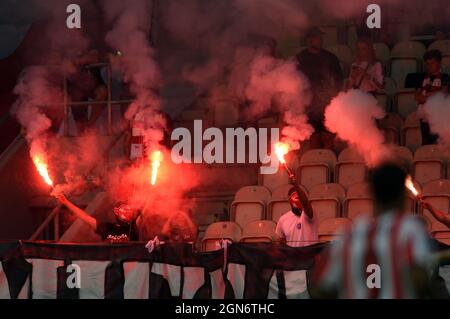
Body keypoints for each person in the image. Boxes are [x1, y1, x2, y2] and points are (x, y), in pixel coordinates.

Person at [312, 164, 441, 299]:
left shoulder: (347, 235)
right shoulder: (410, 231)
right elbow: (419, 279)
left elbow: (322, 287)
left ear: (371, 193)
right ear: (403, 195)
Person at [296, 27, 344, 149]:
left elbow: (339, 81)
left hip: (328, 104)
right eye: (317, 38)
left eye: (320, 37)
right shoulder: (300, 59)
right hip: (310, 106)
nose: (320, 40)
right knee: (314, 138)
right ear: (309, 40)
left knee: (329, 139)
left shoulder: (330, 58)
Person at [54, 193, 141, 242]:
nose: (127, 212)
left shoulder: (133, 227)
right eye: (124, 209)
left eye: (129, 210)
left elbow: (144, 212)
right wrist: (65, 202)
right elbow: (84, 216)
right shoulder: (107, 227)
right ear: (116, 212)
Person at [415, 50, 450, 145]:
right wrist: (432, 97)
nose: (430, 66)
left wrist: (425, 97)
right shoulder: (422, 78)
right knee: (426, 143)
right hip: (425, 116)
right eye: (427, 63)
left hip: (439, 116)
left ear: (439, 62)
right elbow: (417, 96)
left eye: (432, 63)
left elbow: (443, 93)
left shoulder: (445, 78)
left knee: (439, 143)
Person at [275, 175, 318, 247]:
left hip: (310, 255)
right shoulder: (283, 219)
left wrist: (296, 186)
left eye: (300, 198)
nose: (299, 200)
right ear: (289, 200)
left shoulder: (310, 212)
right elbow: (280, 242)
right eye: (296, 197)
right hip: (293, 257)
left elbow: (305, 203)